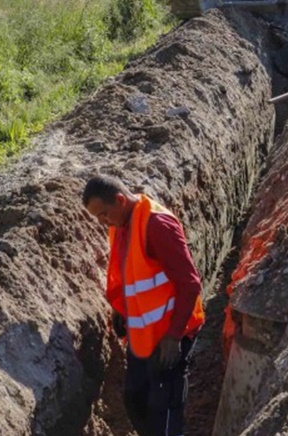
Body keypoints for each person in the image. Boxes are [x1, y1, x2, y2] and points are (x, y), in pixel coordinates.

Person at [82, 175, 204, 436]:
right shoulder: (121, 223)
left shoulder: (157, 225)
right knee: (135, 399)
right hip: (144, 335)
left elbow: (190, 284)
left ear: (120, 200)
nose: (103, 221)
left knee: (164, 408)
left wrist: (174, 337)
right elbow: (133, 273)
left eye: (104, 214)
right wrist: (121, 308)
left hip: (172, 334)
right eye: (98, 218)